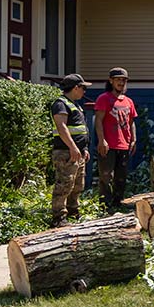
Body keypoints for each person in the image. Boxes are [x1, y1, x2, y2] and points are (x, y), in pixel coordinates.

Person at [50, 73, 92, 227]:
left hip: (78, 152)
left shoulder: (75, 104)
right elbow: (61, 127)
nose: (84, 92)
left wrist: (84, 148)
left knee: (77, 185)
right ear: (75, 88)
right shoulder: (61, 104)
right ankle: (58, 218)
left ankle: (73, 212)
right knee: (64, 184)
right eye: (83, 88)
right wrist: (73, 147)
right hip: (66, 152)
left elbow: (80, 129)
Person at [94, 67, 137, 212]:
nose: (121, 82)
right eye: (118, 79)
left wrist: (133, 139)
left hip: (124, 145)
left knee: (121, 177)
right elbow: (98, 120)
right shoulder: (104, 98)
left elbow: (131, 122)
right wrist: (102, 140)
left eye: (123, 80)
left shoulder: (128, 101)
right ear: (111, 81)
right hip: (108, 145)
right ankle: (104, 206)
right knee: (106, 176)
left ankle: (118, 203)